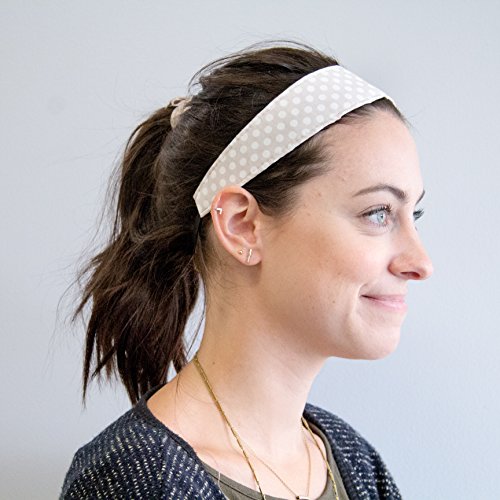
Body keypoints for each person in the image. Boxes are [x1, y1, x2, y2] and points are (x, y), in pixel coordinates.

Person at [60, 41, 433, 500]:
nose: (420, 263)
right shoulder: (133, 482)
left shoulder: (352, 459)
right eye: (378, 213)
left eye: (413, 215)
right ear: (242, 226)